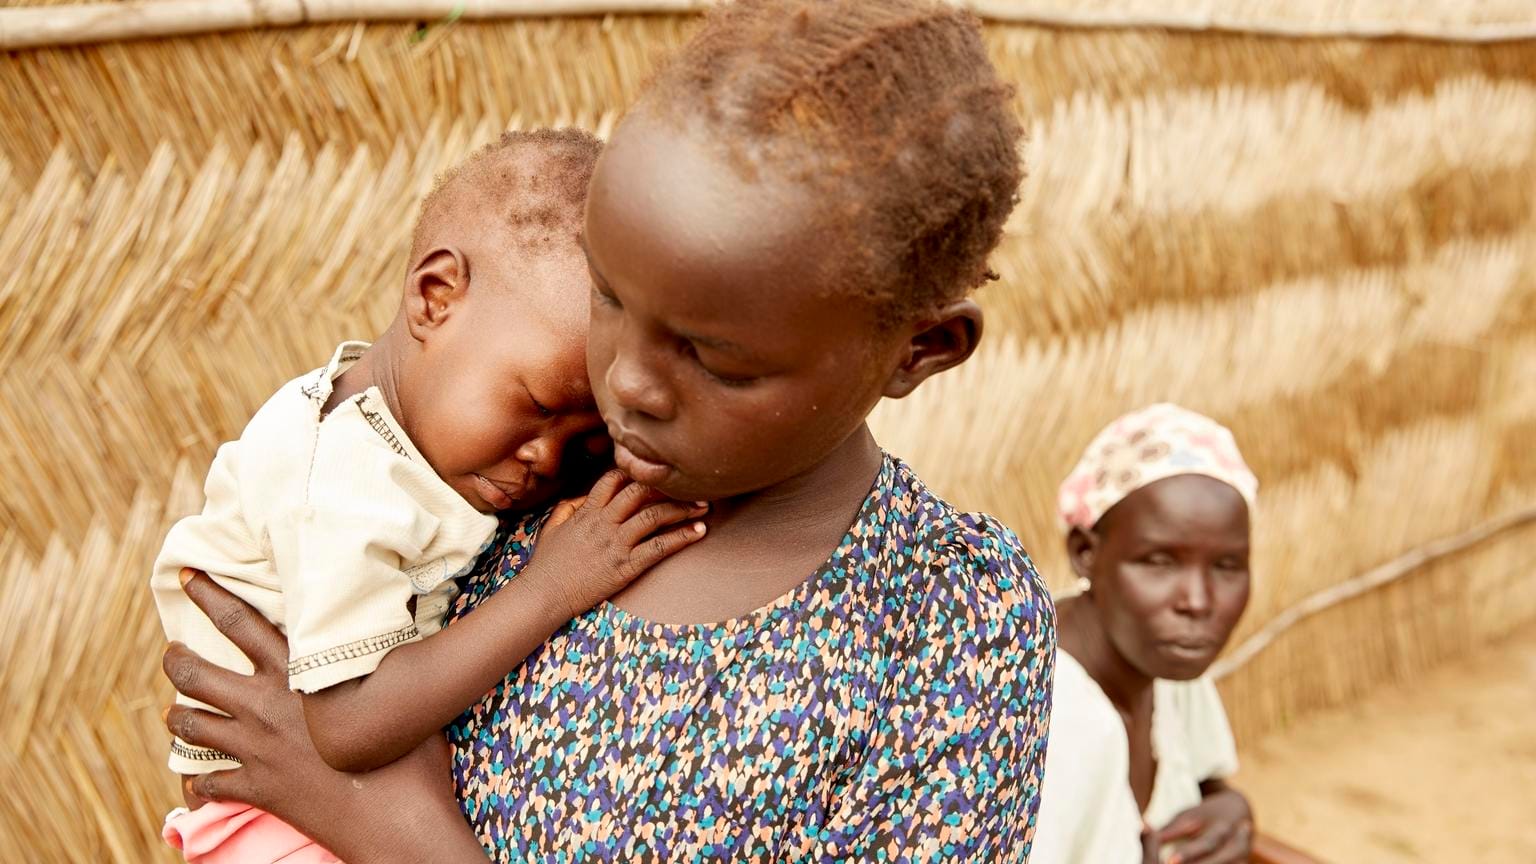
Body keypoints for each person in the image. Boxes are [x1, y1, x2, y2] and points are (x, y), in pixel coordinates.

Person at [159, 0, 1057, 861]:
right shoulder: (518, 467)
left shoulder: (947, 624)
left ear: (921, 349)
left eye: (717, 360)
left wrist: (384, 826)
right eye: (609, 297)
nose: (624, 381)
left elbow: (343, 758)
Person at [151, 130, 709, 863]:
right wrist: (553, 585)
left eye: (589, 442)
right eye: (538, 403)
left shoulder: (403, 441)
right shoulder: (344, 481)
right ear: (435, 297)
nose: (548, 457)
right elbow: (348, 728)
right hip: (276, 830)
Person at [1030, 404, 1258, 864]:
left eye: (1227, 566)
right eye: (1159, 561)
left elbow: (1208, 788)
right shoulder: (1038, 710)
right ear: (1085, 553)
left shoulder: (1171, 669)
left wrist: (1233, 809)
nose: (1197, 601)